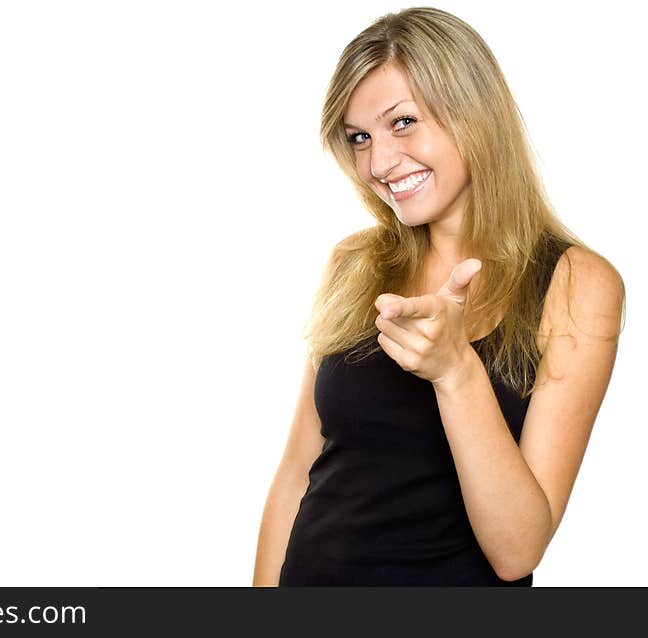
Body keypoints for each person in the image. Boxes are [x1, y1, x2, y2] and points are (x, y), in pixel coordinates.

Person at [252, 7, 626, 586]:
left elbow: (518, 551)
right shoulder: (354, 263)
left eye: (402, 123)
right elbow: (296, 475)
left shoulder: (578, 283)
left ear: (474, 113)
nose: (378, 162)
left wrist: (458, 373)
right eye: (360, 138)